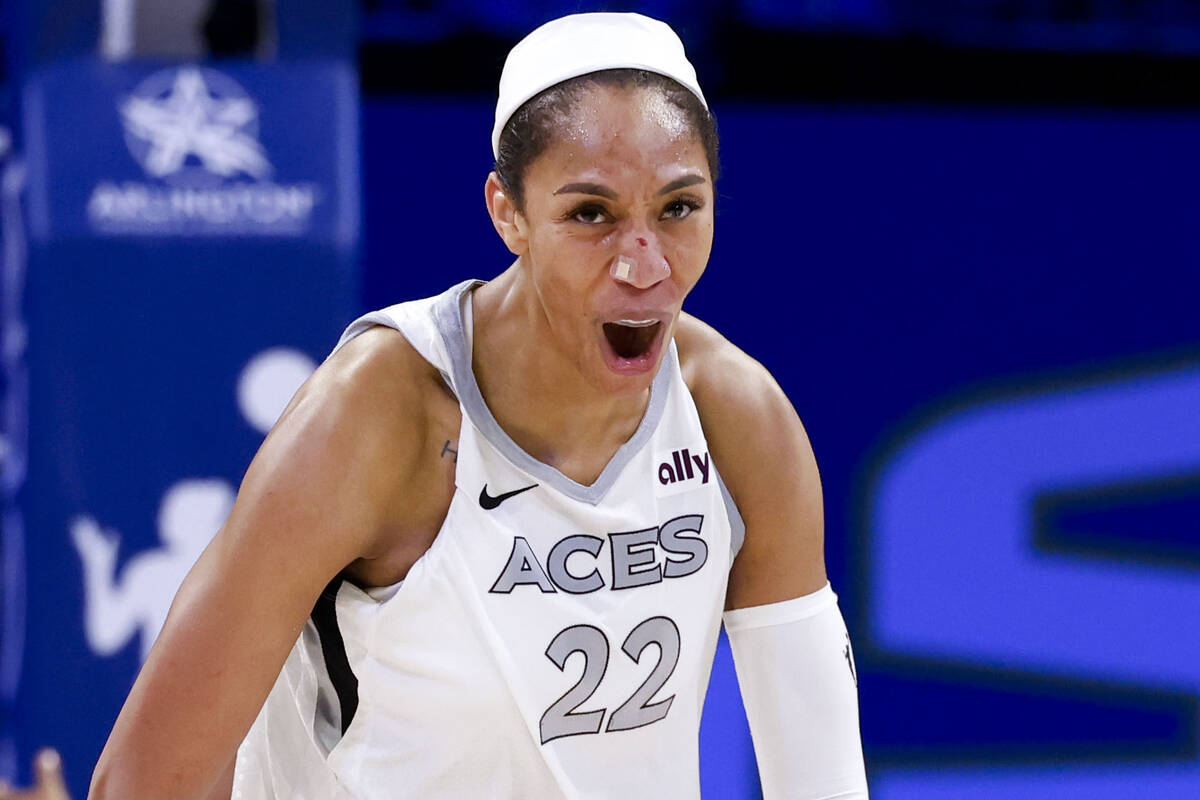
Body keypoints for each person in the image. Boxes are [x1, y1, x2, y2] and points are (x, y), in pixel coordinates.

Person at [76, 12, 868, 800]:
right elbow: (144, 781)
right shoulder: (374, 419)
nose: (644, 262)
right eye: (591, 214)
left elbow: (823, 782)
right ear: (507, 212)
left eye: (679, 208)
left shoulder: (738, 420)